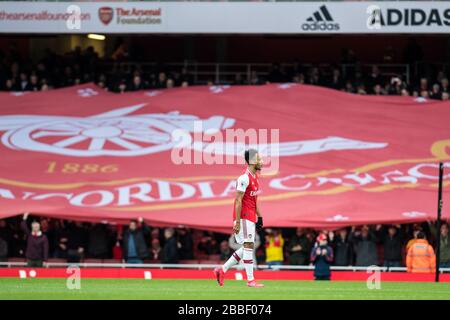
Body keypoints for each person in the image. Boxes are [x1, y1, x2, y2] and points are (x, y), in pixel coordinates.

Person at [214, 149, 264, 288]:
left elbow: (254, 200)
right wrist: (236, 221)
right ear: (252, 161)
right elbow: (238, 200)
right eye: (259, 159)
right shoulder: (244, 178)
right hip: (244, 216)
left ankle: (222, 270)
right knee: (248, 246)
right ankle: (250, 280)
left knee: (247, 246)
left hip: (251, 216)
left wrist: (259, 217)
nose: (262, 161)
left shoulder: (255, 177)